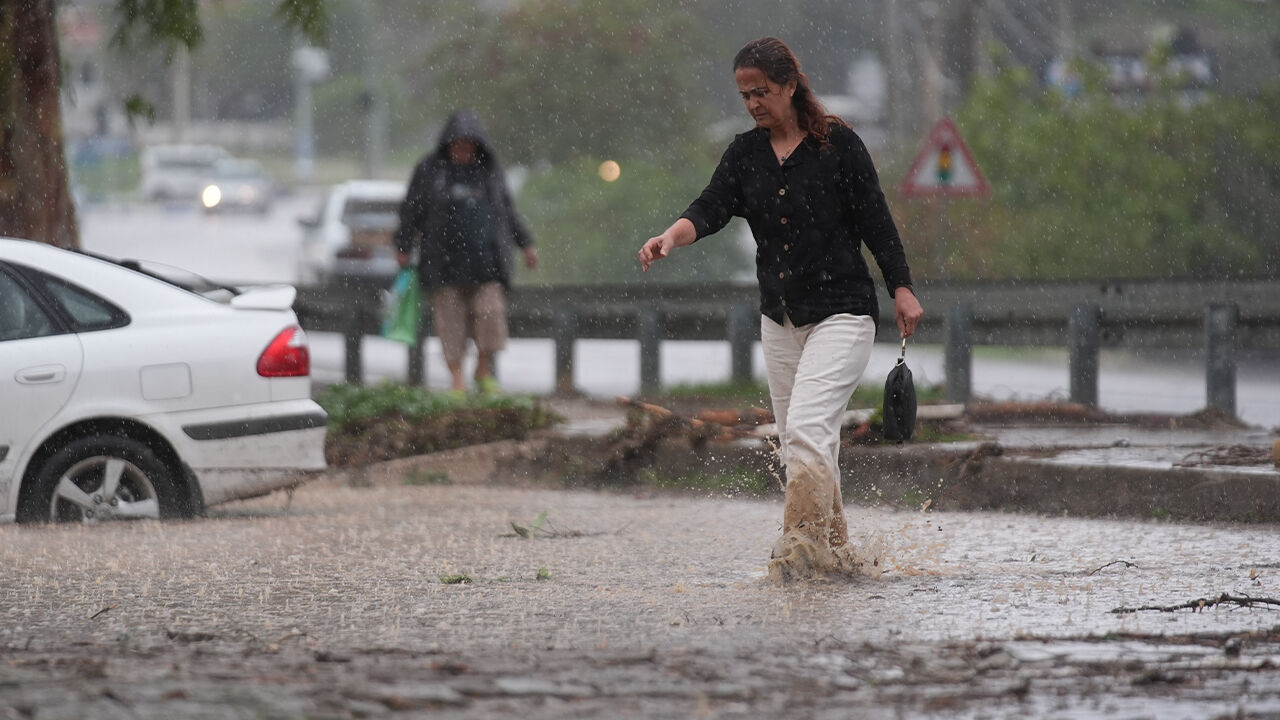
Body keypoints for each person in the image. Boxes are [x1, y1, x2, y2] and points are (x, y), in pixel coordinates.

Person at [637, 37, 924, 581]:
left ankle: (797, 550)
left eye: (762, 92)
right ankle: (835, 553)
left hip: (843, 313)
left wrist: (901, 287)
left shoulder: (838, 145)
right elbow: (710, 206)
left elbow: (876, 220)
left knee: (808, 430)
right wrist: (671, 237)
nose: (753, 104)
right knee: (802, 445)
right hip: (781, 319)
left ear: (790, 85)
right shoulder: (745, 154)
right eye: (745, 95)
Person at [395, 110, 538, 394]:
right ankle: (457, 380)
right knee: (451, 325)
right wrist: (403, 245)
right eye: (458, 143)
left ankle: (483, 370)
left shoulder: (489, 171)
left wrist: (526, 244)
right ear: (448, 143)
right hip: (443, 265)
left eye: (468, 143)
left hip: (487, 264)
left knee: (491, 315)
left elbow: (507, 210)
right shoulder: (430, 170)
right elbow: (411, 210)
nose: (463, 149)